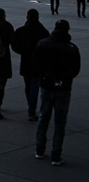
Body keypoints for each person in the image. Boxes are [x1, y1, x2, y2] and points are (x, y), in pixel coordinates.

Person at [32, 20, 80, 165]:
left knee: (43, 117)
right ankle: (56, 155)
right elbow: (75, 70)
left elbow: (36, 63)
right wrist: (62, 78)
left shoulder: (42, 44)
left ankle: (39, 150)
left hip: (46, 85)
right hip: (63, 88)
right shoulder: (72, 48)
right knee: (60, 122)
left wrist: (46, 75)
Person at [13, 9, 49, 121]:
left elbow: (15, 45)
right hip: (38, 63)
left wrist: (22, 51)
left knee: (28, 85)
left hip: (25, 61)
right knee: (35, 86)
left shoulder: (20, 31)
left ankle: (31, 106)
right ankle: (31, 110)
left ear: (27, 17)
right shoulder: (43, 31)